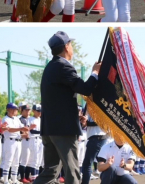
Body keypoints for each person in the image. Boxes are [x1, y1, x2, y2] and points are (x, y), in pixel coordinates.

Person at [34, 31, 101, 184]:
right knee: (72, 171)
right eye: (70, 44)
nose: (72, 47)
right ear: (66, 46)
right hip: (63, 130)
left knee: (50, 172)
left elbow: (58, 100)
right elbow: (84, 88)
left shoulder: (51, 66)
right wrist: (95, 73)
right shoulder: (63, 66)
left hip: (49, 128)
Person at [0, 103, 27, 184]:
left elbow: (22, 128)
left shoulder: (16, 119)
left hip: (18, 141)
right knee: (8, 161)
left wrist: (27, 128)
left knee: (16, 162)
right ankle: (6, 180)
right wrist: (21, 128)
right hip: (9, 141)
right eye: (15, 109)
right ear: (9, 109)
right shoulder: (5, 119)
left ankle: (14, 180)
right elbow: (9, 129)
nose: (16, 111)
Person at [27, 104, 42, 182]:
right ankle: (33, 177)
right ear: (33, 111)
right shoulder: (30, 119)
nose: (39, 112)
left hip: (40, 140)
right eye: (38, 111)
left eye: (40, 111)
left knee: (39, 160)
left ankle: (36, 176)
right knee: (34, 159)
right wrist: (42, 132)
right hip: (34, 140)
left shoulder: (41, 119)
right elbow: (32, 131)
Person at [18, 103, 33, 182]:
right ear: (22, 111)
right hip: (24, 141)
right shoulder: (19, 119)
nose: (27, 111)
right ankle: (22, 177)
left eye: (28, 110)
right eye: (26, 110)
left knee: (30, 160)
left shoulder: (31, 119)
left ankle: (27, 176)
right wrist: (24, 134)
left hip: (32, 140)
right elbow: (17, 132)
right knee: (24, 159)